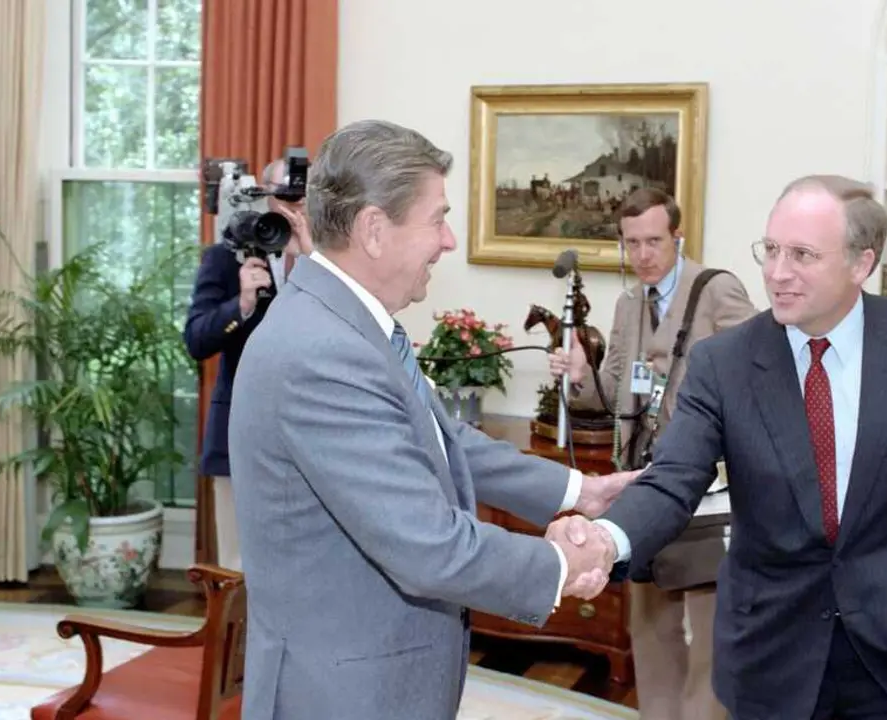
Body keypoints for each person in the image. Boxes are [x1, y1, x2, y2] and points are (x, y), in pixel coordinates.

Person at [225, 119, 637, 720]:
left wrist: (580, 490)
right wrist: (562, 565)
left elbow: (443, 444)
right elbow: (428, 547)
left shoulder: (350, 324)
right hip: (341, 695)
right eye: (436, 218)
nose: (448, 241)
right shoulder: (320, 352)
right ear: (373, 229)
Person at [557, 174, 887, 719]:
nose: (776, 273)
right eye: (770, 250)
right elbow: (673, 479)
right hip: (772, 661)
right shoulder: (724, 363)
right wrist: (608, 540)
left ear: (861, 264)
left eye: (802, 254)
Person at [547, 187, 757, 720]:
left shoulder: (716, 290)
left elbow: (760, 374)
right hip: (642, 484)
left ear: (677, 238)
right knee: (650, 628)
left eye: (654, 241)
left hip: (709, 491)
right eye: (632, 243)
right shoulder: (627, 303)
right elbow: (614, 387)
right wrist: (579, 376)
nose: (642, 254)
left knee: (711, 637)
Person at [183, 157, 312, 570]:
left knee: (302, 567)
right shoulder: (227, 257)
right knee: (239, 570)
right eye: (287, 196)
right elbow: (197, 340)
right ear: (262, 198)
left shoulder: (326, 262)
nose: (295, 208)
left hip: (311, 438)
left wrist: (310, 259)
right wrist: (239, 304)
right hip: (239, 433)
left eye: (304, 197)